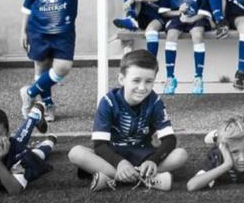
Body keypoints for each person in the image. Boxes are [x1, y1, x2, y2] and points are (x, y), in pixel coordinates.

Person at [68, 50, 188, 191]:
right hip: (112, 156)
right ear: (122, 79)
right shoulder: (108, 102)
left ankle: (112, 178)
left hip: (143, 155)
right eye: (136, 80)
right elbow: (100, 145)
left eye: (149, 81)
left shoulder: (155, 102)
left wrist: (153, 160)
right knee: (76, 153)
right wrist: (120, 163)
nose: (142, 87)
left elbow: (169, 139)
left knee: (181, 154)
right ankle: (145, 179)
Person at [20, 0, 97, 121]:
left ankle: (29, 93)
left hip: (63, 31)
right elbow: (27, 6)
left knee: (63, 67)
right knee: (41, 69)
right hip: (38, 30)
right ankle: (48, 105)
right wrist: (23, 31)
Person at [158, 0, 211, 95]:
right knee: (171, 35)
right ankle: (170, 77)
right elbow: (164, 12)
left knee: (198, 35)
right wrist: (178, 13)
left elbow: (204, 12)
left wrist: (190, 19)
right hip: (177, 18)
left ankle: (198, 77)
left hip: (196, 19)